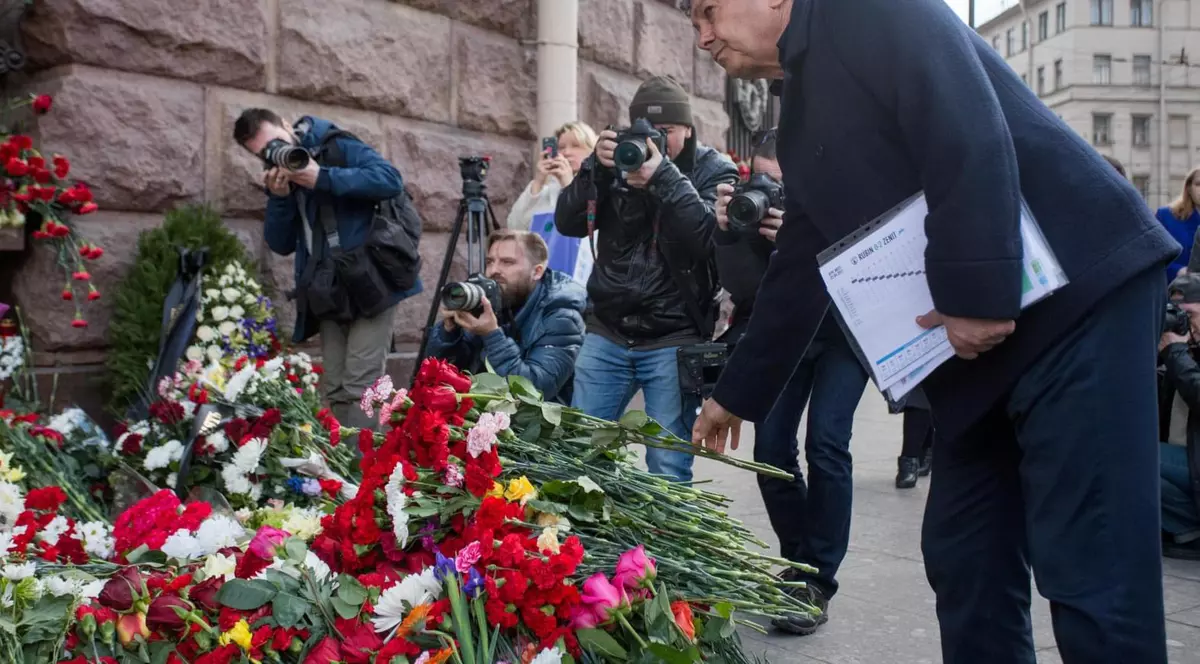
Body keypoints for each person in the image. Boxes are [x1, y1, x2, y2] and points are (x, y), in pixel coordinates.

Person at [686, 1, 1179, 662]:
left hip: (1077, 303)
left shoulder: (870, 13)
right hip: (980, 348)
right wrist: (736, 392)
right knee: (965, 555)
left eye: (707, 10)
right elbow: (804, 261)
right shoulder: (800, 115)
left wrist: (975, 292)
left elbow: (967, 130)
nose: (703, 36)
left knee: (1093, 572)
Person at [712, 128, 867, 634]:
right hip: (786, 335)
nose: (775, 191)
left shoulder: (838, 194)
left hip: (844, 332)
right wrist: (729, 233)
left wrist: (806, 238)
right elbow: (745, 290)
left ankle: (818, 578)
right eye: (766, 180)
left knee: (826, 442)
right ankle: (798, 563)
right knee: (771, 449)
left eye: (785, 182)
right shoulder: (749, 215)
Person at [555, 76, 739, 483]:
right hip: (608, 330)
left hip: (673, 338)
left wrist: (664, 177)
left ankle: (665, 548)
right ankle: (591, 544)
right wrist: (593, 171)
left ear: (688, 129)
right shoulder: (616, 159)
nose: (655, 141)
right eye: (647, 131)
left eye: (667, 132)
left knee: (667, 468)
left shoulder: (714, 169)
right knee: (582, 454)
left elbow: (708, 240)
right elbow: (566, 222)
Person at [234, 108, 422, 431]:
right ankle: (345, 473)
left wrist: (322, 177)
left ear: (285, 124)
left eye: (276, 143)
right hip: (328, 288)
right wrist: (279, 198)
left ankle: (365, 475)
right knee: (335, 387)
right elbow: (280, 244)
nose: (275, 155)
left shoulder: (334, 144)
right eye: (265, 154)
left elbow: (390, 179)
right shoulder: (284, 177)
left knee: (362, 385)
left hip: (371, 281)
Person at [426, 230, 586, 404]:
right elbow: (441, 375)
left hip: (538, 423)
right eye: (490, 262)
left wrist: (491, 335)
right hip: (485, 414)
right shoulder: (494, 299)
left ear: (537, 272)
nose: (494, 271)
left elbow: (533, 392)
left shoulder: (562, 315)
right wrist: (449, 333)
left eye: (507, 262)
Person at [508, 122, 601, 287]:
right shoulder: (546, 192)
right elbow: (515, 227)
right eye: (561, 147)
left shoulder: (600, 187)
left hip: (584, 282)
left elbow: (591, 227)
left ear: (592, 150)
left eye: (576, 146)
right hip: (541, 283)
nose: (566, 152)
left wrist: (568, 184)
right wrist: (538, 182)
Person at [1157, 273, 1200, 560]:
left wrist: (1176, 353)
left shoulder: (1181, 354)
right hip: (1190, 460)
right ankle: (1187, 527)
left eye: (1191, 315)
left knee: (1133, 455)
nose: (1185, 323)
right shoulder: (1185, 350)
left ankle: (1189, 526)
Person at [1156, 167, 1200, 283]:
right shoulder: (1166, 216)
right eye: (1198, 184)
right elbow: (1155, 257)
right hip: (1176, 292)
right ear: (1189, 188)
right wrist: (1178, 271)